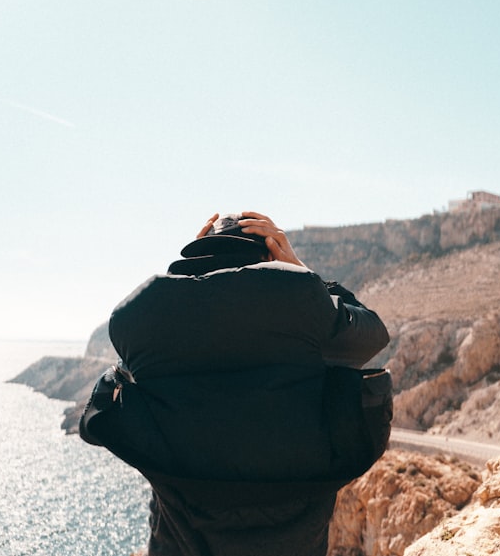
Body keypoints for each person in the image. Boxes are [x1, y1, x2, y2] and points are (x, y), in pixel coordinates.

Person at [79, 211, 391, 556]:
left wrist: (187, 269)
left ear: (197, 252)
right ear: (269, 254)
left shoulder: (137, 314)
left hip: (179, 543)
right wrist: (303, 271)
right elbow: (372, 337)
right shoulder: (301, 298)